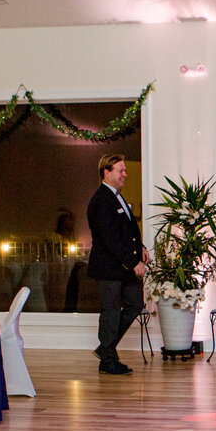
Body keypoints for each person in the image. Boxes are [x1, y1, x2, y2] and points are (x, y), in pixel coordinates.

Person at [87, 154, 148, 375]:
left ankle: (105, 348)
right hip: (108, 268)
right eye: (120, 171)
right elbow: (110, 238)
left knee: (136, 303)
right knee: (111, 311)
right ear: (107, 173)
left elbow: (127, 230)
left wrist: (140, 248)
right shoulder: (101, 201)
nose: (125, 174)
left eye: (124, 170)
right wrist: (134, 263)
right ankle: (108, 359)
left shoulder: (116, 197)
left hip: (121, 266)